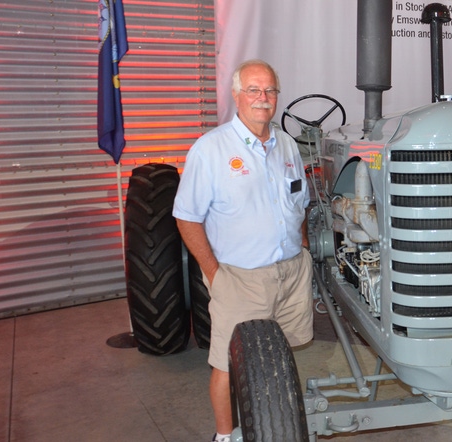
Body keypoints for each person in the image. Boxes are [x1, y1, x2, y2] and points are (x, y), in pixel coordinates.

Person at [172, 59, 313, 442]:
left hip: (290, 273)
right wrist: (215, 273)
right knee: (227, 362)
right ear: (236, 95)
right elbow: (186, 217)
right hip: (240, 278)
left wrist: (301, 246)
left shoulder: (286, 144)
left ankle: (274, 419)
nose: (262, 98)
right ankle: (224, 436)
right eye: (253, 90)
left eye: (269, 90)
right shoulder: (211, 149)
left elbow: (299, 202)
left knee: (280, 355)